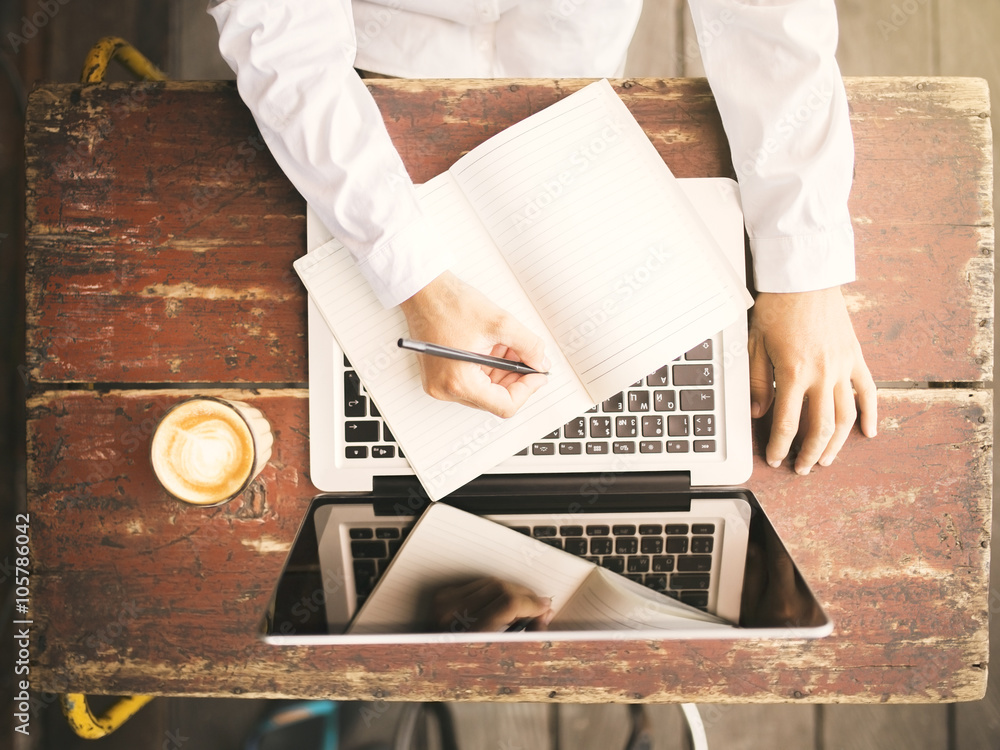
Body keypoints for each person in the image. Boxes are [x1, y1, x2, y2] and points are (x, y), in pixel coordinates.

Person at [208, 0, 877, 475]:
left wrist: (804, 269)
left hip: (581, 87)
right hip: (361, 105)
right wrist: (414, 278)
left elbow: (766, 17)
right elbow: (280, 32)